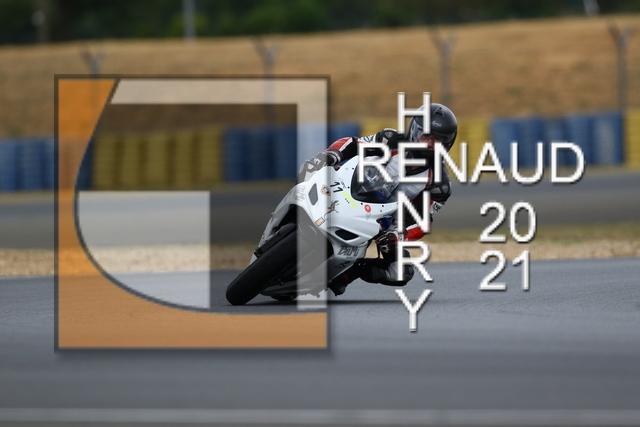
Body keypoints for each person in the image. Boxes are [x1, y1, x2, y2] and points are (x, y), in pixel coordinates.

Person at [298, 103, 458, 296]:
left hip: (382, 223)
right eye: (426, 136)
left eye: (438, 140)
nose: (430, 144)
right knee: (310, 176)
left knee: (400, 273)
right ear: (415, 131)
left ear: (448, 144)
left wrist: (399, 235)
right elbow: (353, 144)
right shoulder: (390, 139)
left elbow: (422, 221)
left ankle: (347, 273)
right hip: (348, 188)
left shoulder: (440, 185)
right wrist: (330, 156)